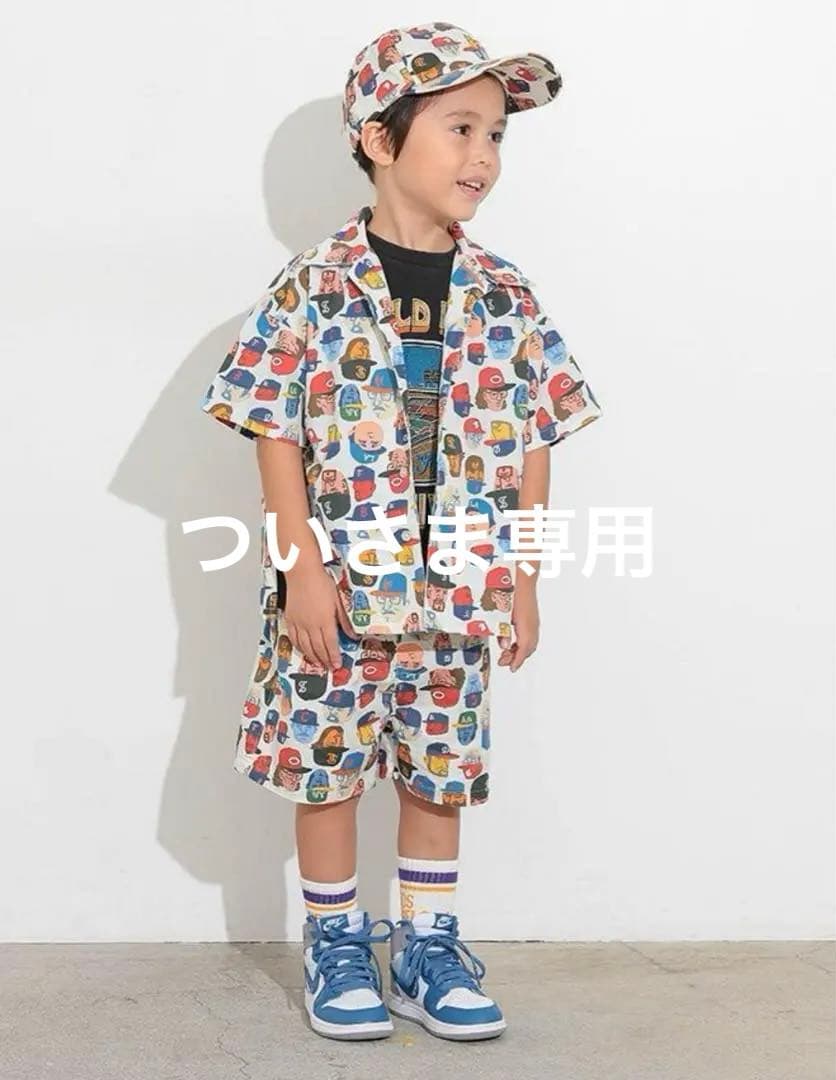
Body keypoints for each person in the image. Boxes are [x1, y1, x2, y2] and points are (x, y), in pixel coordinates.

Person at [199, 21, 603, 1043]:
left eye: (497, 134)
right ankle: (336, 942)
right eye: (459, 128)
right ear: (379, 139)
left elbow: (535, 439)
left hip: (460, 590)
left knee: (439, 767)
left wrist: (522, 580)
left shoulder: (505, 295)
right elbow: (274, 430)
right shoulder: (312, 284)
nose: (484, 156)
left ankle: (427, 946)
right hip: (339, 588)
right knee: (327, 765)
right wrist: (300, 571)